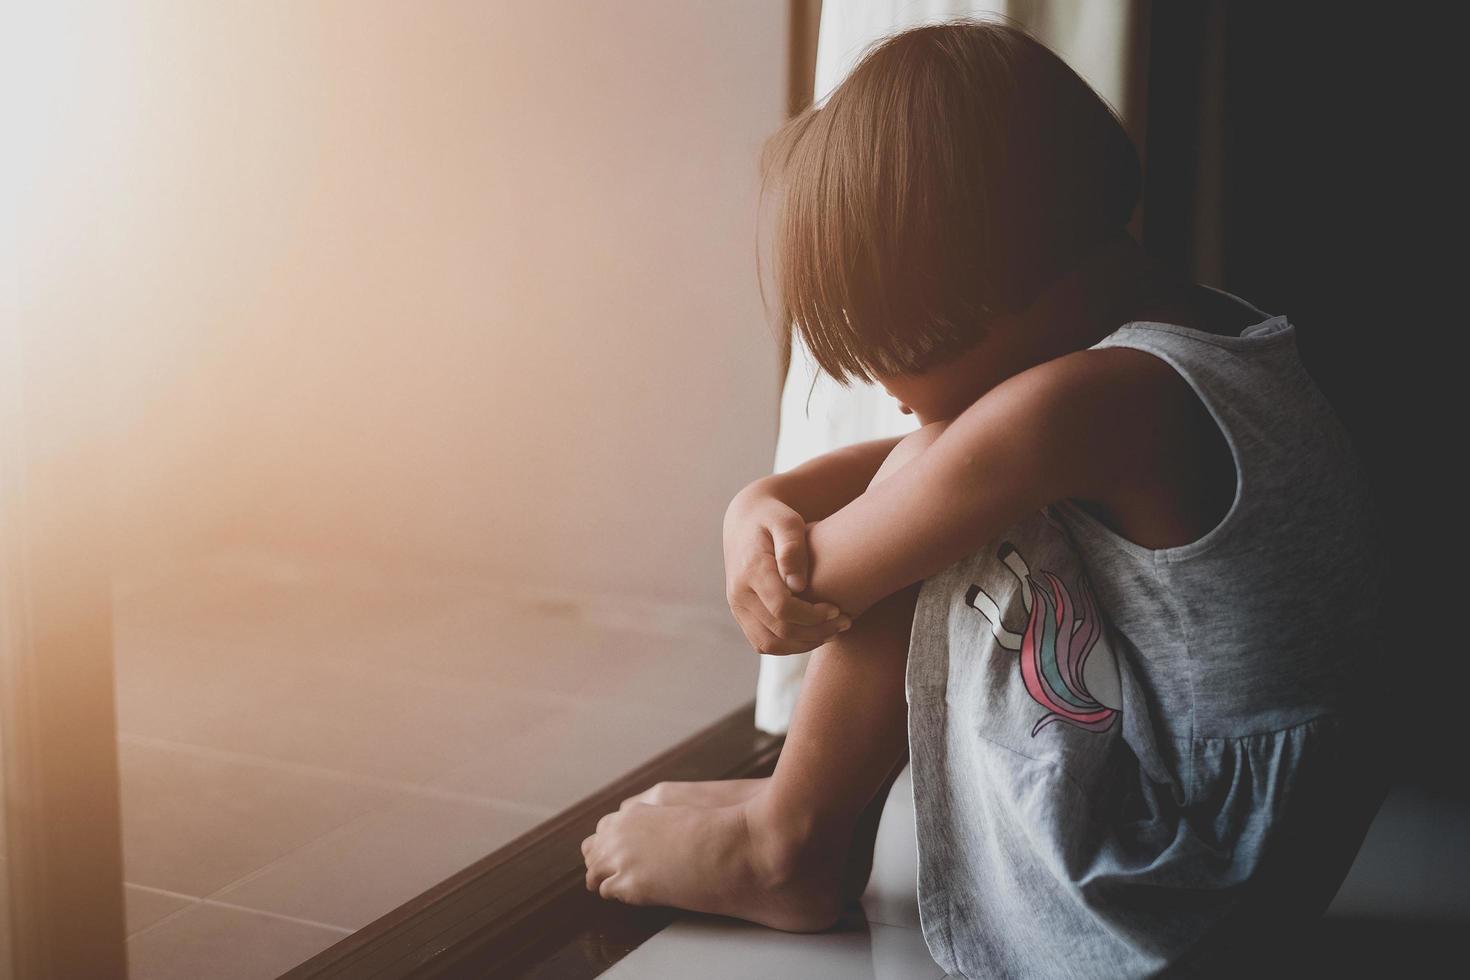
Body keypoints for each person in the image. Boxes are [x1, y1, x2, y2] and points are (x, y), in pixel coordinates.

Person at [581, 19, 1389, 977]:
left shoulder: (1077, 405)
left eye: (882, 353)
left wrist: (766, 545)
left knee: (928, 478)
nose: (884, 391)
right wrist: (757, 499)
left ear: (952, 298)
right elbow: (947, 461)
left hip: (1167, 886)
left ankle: (789, 840)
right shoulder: (1194, 342)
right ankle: (794, 807)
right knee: (934, 468)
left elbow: (814, 584)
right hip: (1262, 870)